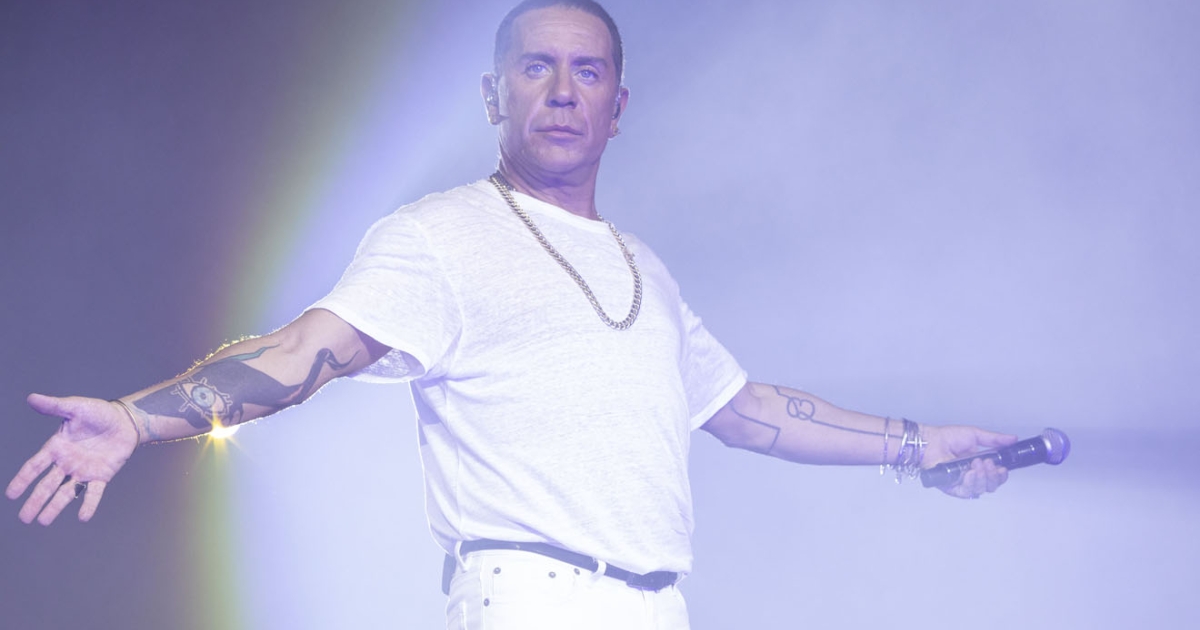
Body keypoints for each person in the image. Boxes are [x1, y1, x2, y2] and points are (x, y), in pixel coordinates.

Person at [6, 1, 1017, 628]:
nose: (564, 91)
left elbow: (749, 412)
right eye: (538, 67)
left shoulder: (646, 272)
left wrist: (919, 445)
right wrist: (137, 418)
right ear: (495, 95)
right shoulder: (439, 235)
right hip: (532, 602)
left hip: (659, 607)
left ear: (619, 105)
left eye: (589, 71)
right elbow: (304, 351)